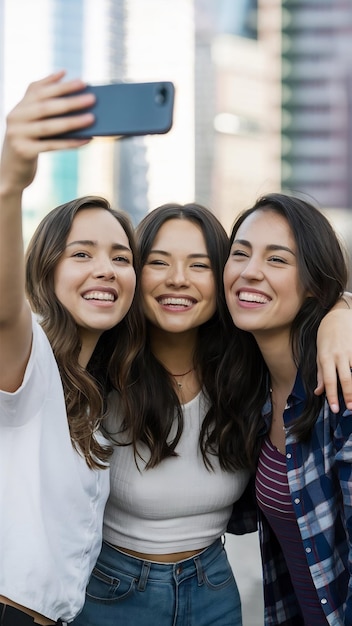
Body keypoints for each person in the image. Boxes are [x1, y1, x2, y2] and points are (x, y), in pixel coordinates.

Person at [73, 202, 352, 626]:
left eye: (199, 265)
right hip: (109, 591)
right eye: (158, 262)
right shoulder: (97, 367)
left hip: (214, 592)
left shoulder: (253, 377)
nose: (178, 279)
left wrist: (342, 310)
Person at [0, 72, 143, 625]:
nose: (105, 268)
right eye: (81, 254)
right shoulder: (27, 359)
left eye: (121, 256)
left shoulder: (99, 389)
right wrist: (10, 181)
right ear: (46, 268)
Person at [222, 193, 352, 625]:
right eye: (239, 253)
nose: (249, 271)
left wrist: (343, 307)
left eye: (277, 260)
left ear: (315, 282)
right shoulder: (251, 389)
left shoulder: (341, 386)